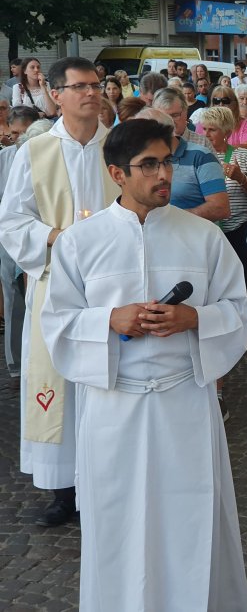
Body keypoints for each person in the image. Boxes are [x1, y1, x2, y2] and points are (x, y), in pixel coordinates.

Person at [41, 118, 247, 611]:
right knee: (117, 522)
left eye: (168, 161)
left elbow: (240, 310)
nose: (164, 174)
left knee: (190, 519)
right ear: (117, 173)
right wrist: (109, 320)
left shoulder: (202, 236)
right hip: (115, 407)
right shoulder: (81, 242)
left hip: (184, 402)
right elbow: (58, 325)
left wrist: (192, 317)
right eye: (149, 165)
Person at [0, 57, 120, 527]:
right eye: (80, 87)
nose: (91, 93)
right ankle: (62, 489)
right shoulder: (36, 151)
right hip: (55, 285)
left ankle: (108, 479)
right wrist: (57, 238)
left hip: (112, 287)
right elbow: (12, 220)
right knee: (60, 383)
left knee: (105, 378)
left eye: (96, 85)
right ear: (55, 94)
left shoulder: (120, 147)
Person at [199, 107, 247, 289]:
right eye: (205, 129)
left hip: (239, 229)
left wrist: (240, 178)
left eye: (213, 129)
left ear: (226, 131)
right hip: (210, 230)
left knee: (241, 282)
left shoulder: (242, 155)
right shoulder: (200, 157)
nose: (207, 134)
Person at [0, 106, 40, 380]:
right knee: (13, 296)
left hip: (41, 232)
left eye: (23, 133)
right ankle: (15, 365)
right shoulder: (5, 157)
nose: (17, 139)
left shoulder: (47, 154)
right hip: (9, 234)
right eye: (14, 134)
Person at [150, 90, 229, 221]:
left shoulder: (202, 145)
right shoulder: (146, 151)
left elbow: (218, 203)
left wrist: (171, 219)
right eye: (164, 117)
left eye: (175, 115)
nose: (170, 122)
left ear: (186, 112)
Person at [195, 85, 247, 157]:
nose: (221, 104)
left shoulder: (245, 124)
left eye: (225, 101)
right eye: (216, 101)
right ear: (212, 103)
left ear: (234, 104)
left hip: (238, 164)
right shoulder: (203, 124)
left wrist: (226, 151)